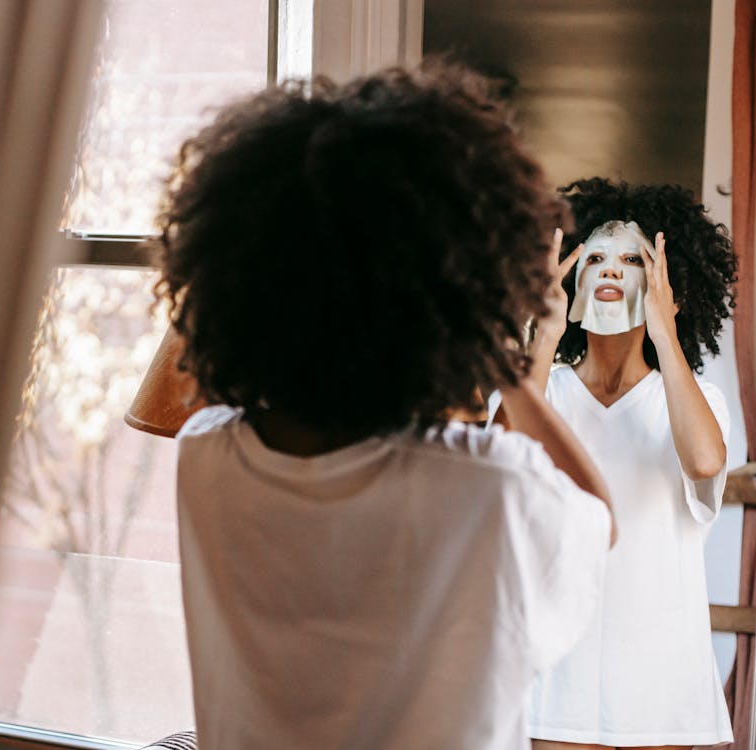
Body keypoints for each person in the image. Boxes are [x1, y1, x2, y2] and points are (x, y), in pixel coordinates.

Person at [151, 64, 616, 749]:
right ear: (464, 295)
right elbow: (596, 522)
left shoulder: (204, 455)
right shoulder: (488, 484)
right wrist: (510, 354)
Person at [518, 178, 738, 749]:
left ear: (671, 285)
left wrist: (664, 330)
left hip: (660, 686)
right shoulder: (541, 390)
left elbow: (707, 460)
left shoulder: (695, 400)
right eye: (594, 257)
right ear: (570, 277)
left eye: (633, 259)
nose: (611, 270)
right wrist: (543, 338)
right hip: (553, 684)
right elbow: (499, 468)